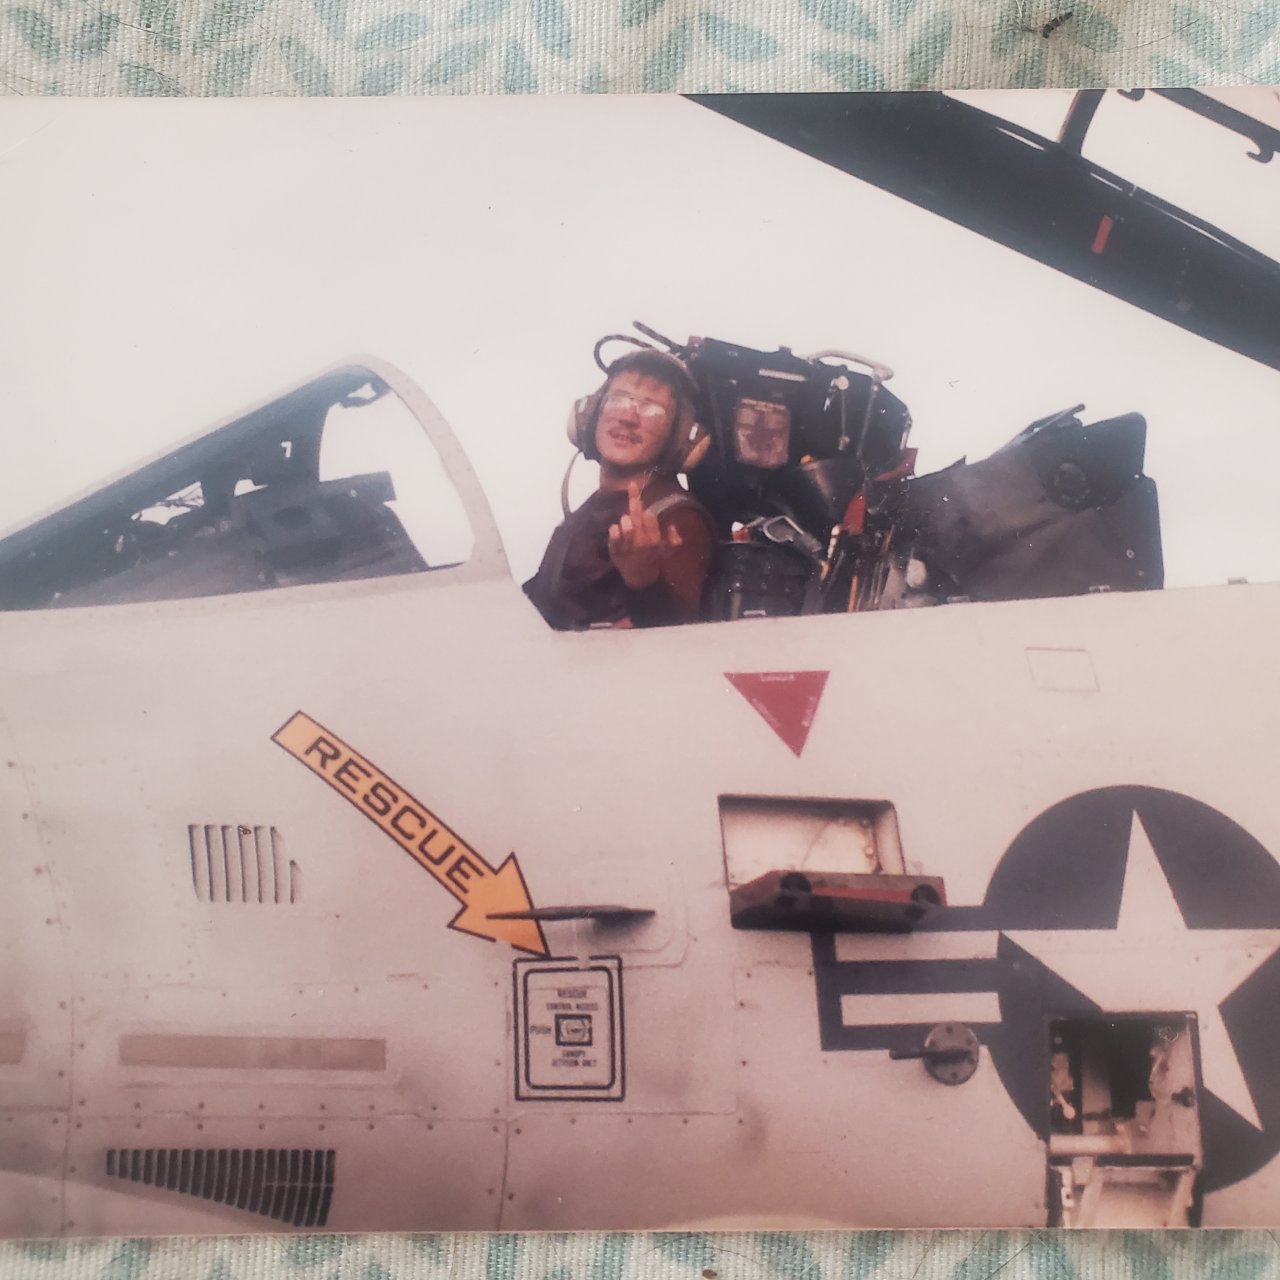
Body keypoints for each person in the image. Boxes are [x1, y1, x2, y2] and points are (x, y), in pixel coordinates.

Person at [525, 349, 716, 630]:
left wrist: (644, 582)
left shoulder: (676, 519)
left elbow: (676, 637)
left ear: (677, 436)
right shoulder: (587, 512)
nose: (628, 417)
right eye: (618, 400)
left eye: (651, 409)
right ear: (590, 415)